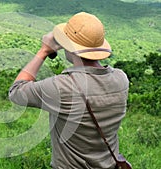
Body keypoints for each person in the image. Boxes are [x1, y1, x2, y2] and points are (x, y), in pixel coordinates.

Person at [9, 12, 129, 169]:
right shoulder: (121, 79)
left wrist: (44, 50)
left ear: (70, 46)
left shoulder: (63, 87)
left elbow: (16, 92)